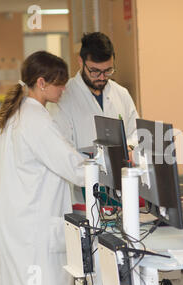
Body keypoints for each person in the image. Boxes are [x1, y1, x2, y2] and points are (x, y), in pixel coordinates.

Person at [0, 51, 86, 285]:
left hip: (15, 228)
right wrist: (108, 166)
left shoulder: (9, 115)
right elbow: (75, 168)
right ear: (42, 83)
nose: (63, 89)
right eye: (59, 83)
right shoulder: (35, 120)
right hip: (33, 234)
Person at [48, 32, 139, 203]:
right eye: (95, 71)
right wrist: (99, 162)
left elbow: (135, 133)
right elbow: (62, 151)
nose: (102, 77)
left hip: (119, 189)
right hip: (81, 194)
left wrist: (130, 147)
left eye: (108, 71)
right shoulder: (63, 98)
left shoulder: (121, 94)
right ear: (81, 62)